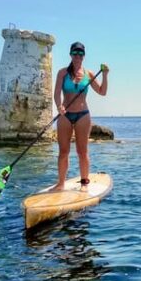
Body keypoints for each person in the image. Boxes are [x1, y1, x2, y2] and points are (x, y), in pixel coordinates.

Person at [53, 41, 109, 190]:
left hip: (83, 116)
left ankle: (84, 183)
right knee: (63, 152)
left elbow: (102, 92)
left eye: (80, 53)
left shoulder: (89, 74)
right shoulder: (62, 73)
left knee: (82, 152)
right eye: (75, 53)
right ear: (70, 55)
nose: (77, 56)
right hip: (65, 115)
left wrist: (105, 75)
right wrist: (59, 106)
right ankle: (60, 184)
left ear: (84, 56)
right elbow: (57, 93)